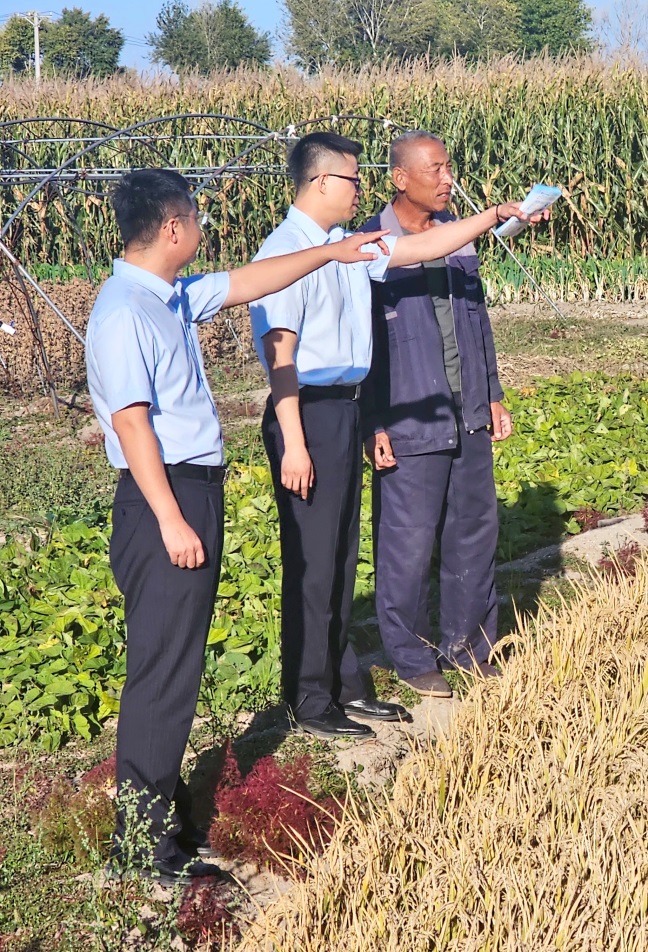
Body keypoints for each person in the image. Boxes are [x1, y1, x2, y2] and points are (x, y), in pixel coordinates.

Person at [85, 168, 389, 886]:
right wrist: (170, 520)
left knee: (178, 670)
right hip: (165, 499)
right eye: (195, 217)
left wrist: (330, 254)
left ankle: (165, 824)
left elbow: (251, 281)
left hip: (191, 492)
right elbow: (131, 425)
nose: (202, 228)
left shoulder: (170, 296)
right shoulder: (124, 310)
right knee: (160, 677)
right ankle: (144, 850)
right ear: (171, 228)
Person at [249, 132, 542, 740]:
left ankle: (341, 687)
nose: (361, 188)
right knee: (315, 563)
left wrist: (491, 216)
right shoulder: (284, 250)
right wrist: (296, 440)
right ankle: (311, 698)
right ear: (322, 182)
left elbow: (421, 248)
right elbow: (281, 354)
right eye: (353, 179)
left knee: (338, 557)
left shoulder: (345, 244)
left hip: (345, 407)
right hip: (310, 411)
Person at [360, 131, 513, 699]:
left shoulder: (460, 243)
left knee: (473, 531)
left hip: (467, 408)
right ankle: (412, 654)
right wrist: (373, 423)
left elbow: (478, 321)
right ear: (400, 178)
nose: (449, 178)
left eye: (450, 167)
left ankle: (470, 645)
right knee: (408, 541)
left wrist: (492, 392)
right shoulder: (371, 247)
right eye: (437, 169)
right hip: (408, 419)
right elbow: (365, 348)